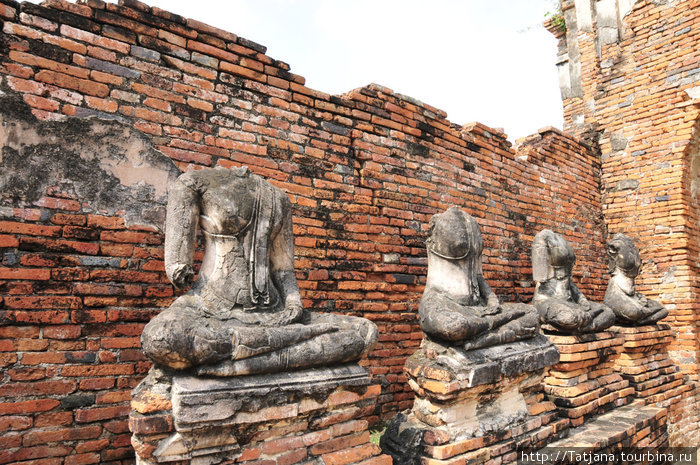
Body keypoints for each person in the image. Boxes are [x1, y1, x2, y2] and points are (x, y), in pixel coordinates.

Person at [141, 166, 377, 376]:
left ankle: (241, 362)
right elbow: (177, 261)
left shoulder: (278, 199)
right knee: (160, 338)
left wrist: (294, 304)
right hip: (210, 306)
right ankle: (281, 348)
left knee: (364, 332)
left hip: (275, 312)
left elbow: (284, 271)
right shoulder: (194, 183)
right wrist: (179, 269)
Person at [419, 207, 539, 350]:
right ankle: (490, 333)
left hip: (479, 308)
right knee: (455, 327)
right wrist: (499, 319)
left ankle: (483, 341)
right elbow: (453, 325)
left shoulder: (472, 225)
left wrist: (492, 301)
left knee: (532, 313)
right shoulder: (440, 227)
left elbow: (478, 275)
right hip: (444, 302)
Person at [531, 229, 615, 333]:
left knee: (608, 313)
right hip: (547, 300)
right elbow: (540, 277)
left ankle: (582, 326)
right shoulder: (543, 238)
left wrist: (582, 301)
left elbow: (569, 283)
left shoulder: (563, 242)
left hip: (570, 302)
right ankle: (581, 322)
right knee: (567, 317)